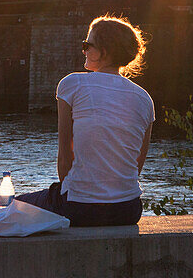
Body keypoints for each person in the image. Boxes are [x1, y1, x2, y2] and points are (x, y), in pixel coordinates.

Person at [14, 15, 154, 227]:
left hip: (80, 207)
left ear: (103, 52)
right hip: (128, 209)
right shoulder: (144, 98)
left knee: (12, 206)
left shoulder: (72, 84)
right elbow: (136, 166)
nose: (84, 50)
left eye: (87, 45)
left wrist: (76, 197)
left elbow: (65, 158)